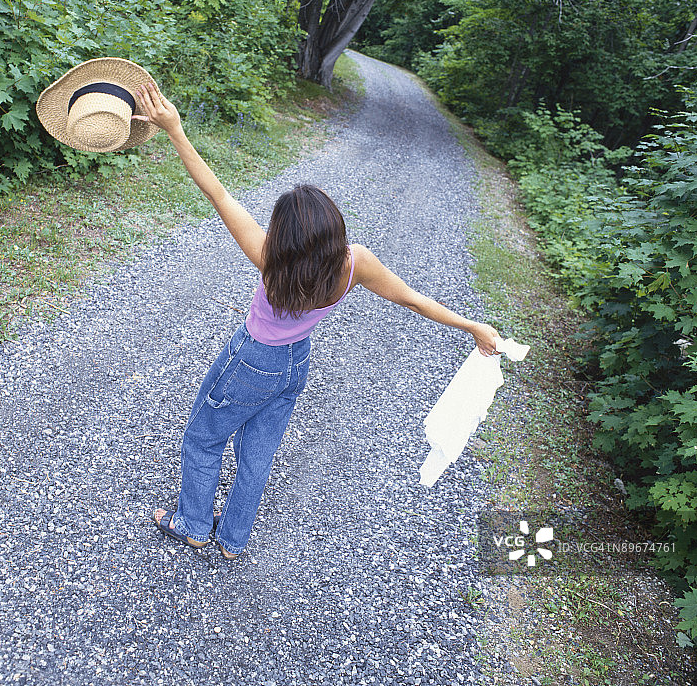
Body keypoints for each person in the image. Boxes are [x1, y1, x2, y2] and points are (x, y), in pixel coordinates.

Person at [134, 82, 500, 561]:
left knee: (203, 438)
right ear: (334, 230)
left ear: (283, 238)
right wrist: (472, 326)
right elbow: (412, 299)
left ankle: (195, 524)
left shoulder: (269, 259)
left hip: (251, 359)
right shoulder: (353, 263)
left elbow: (216, 191)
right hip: (294, 363)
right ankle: (233, 539)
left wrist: (176, 131)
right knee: (257, 453)